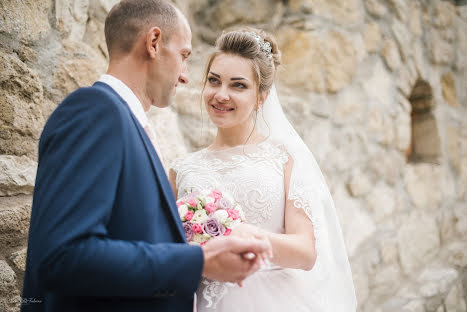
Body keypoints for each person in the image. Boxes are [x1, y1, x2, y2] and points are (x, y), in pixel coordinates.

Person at [21, 1, 271, 311]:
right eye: (183, 56)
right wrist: (199, 260)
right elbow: (63, 256)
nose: (185, 76)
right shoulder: (95, 111)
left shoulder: (123, 121)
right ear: (153, 43)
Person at [170, 28, 358, 311]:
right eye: (214, 81)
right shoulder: (181, 169)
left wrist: (245, 234)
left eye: (238, 85)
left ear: (261, 96)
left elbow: (306, 253)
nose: (221, 95)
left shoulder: (284, 159)